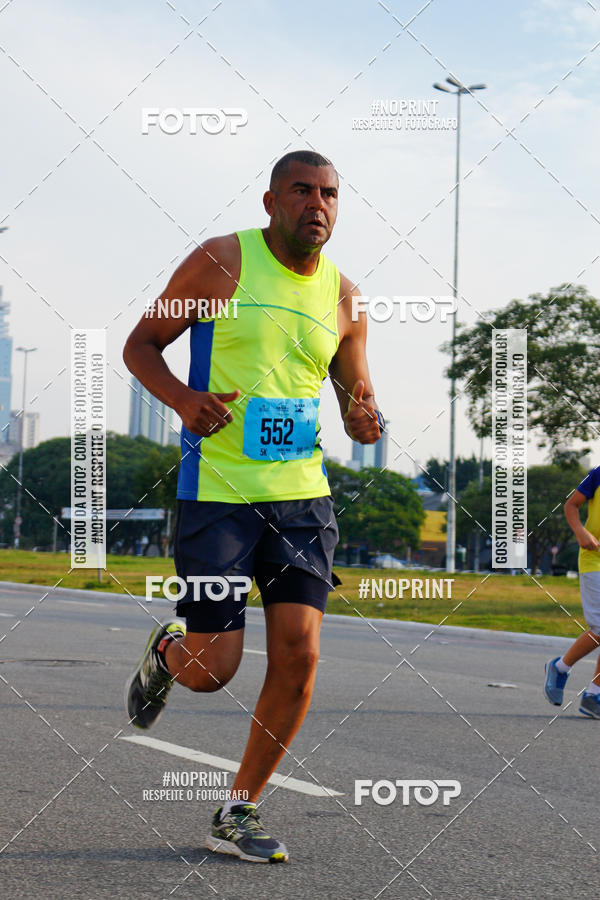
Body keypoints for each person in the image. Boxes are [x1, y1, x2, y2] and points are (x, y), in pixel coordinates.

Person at [122, 150, 384, 862]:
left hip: (303, 499)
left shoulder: (345, 296)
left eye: (329, 193)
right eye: (302, 191)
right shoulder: (220, 262)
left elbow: (354, 391)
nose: (317, 205)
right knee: (215, 669)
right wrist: (183, 400)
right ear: (271, 201)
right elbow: (141, 344)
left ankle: (238, 809)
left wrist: (364, 417)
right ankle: (168, 652)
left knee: (300, 653)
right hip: (218, 496)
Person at [544, 466, 600, 718]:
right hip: (594, 559)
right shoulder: (598, 474)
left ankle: (592, 695)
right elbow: (571, 506)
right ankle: (560, 667)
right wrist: (581, 532)